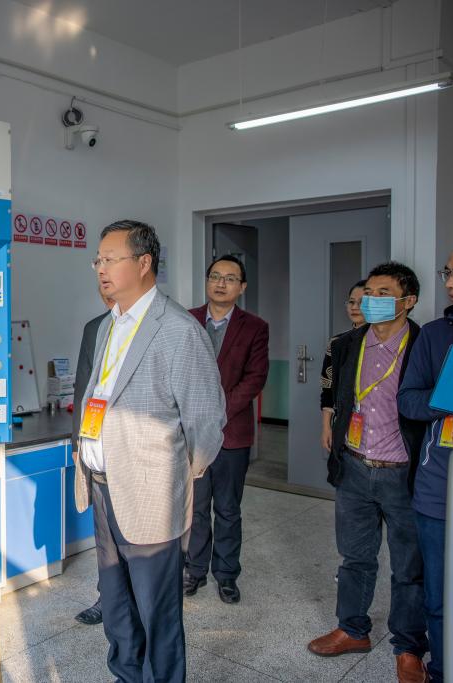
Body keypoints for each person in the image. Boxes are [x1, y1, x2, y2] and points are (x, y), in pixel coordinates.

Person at [73, 219, 225, 682]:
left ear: (143, 263)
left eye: (110, 259)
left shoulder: (177, 329)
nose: (100, 269)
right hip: (103, 487)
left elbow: (206, 422)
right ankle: (126, 675)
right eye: (97, 260)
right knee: (117, 605)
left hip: (149, 494)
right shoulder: (109, 325)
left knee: (157, 613)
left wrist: (170, 476)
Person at [308, 262, 428, 683]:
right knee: (355, 557)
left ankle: (408, 647)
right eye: (369, 293)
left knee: (409, 566)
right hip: (355, 467)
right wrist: (332, 430)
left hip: (403, 473)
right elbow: (335, 394)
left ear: (408, 301)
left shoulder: (424, 345)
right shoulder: (349, 343)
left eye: (383, 293)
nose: (371, 300)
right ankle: (353, 628)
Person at [398, 239, 453, 683]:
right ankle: (443, 670)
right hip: (439, 489)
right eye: (449, 272)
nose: (451, 282)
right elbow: (408, 401)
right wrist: (452, 397)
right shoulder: (436, 334)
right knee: (441, 595)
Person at [185, 255, 269, 604]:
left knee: (228, 508)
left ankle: (226, 574)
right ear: (207, 281)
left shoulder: (255, 327)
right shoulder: (187, 320)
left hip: (232, 432)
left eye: (230, 278)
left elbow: (255, 378)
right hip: (191, 432)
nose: (221, 283)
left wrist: (218, 411)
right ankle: (194, 570)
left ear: (242, 287)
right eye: (215, 276)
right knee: (196, 507)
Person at [71, 286, 116, 626]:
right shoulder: (95, 328)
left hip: (140, 449)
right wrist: (79, 442)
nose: (106, 285)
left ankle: (141, 602)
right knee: (105, 535)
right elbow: (84, 389)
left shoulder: (158, 325)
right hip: (100, 448)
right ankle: (108, 599)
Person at [321, 280, 368, 451]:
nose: (354, 307)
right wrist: (326, 426)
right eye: (351, 302)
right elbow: (327, 387)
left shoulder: (382, 343)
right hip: (345, 419)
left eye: (361, 302)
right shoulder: (337, 343)